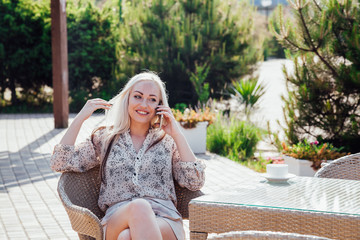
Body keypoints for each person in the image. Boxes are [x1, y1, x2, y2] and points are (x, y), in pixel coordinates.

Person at [50, 71, 206, 240]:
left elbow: (194, 181)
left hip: (164, 219)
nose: (144, 104)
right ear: (128, 98)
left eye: (152, 99)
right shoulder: (105, 138)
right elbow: (60, 162)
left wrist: (177, 134)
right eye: (138, 96)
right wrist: (80, 118)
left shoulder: (168, 140)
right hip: (117, 217)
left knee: (127, 237)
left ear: (159, 106)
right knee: (139, 207)